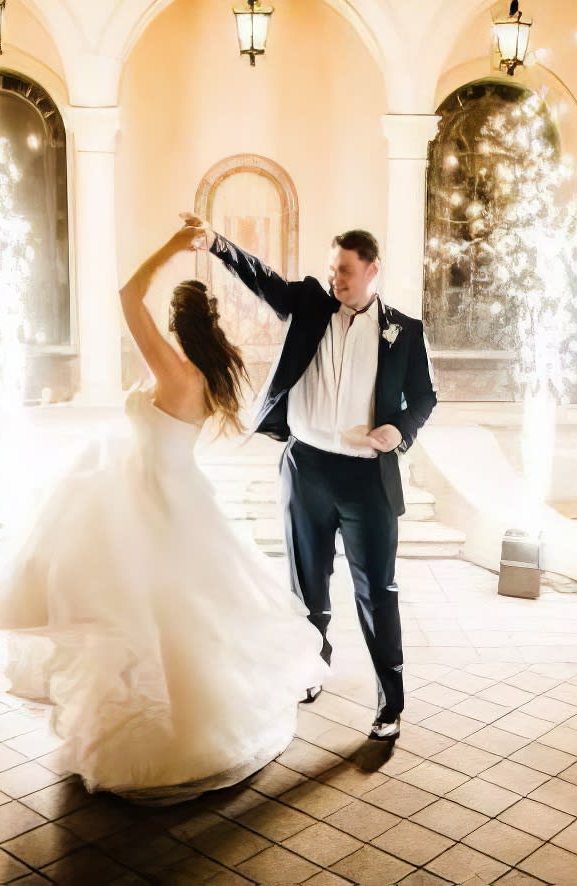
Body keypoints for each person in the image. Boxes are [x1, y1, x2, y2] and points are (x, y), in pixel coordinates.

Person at [0, 223, 325, 803]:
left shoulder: (172, 369)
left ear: (174, 325)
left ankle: (166, 740)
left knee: (139, 616)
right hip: (176, 493)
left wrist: (170, 247)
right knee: (178, 619)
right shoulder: (204, 373)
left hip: (145, 497)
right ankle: (186, 723)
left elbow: (124, 296)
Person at [186, 213, 437, 742]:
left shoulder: (404, 331)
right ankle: (311, 667)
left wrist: (400, 429)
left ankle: (390, 699)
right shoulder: (310, 305)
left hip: (367, 478)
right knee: (306, 589)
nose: (335, 280)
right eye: (331, 270)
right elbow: (263, 279)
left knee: (377, 592)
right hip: (306, 469)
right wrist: (214, 243)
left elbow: (425, 398)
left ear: (373, 270)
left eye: (345, 271)